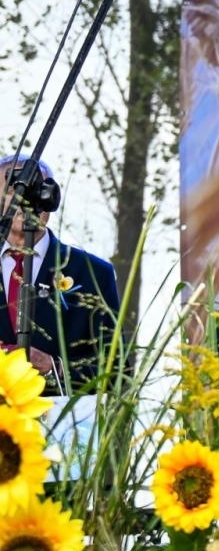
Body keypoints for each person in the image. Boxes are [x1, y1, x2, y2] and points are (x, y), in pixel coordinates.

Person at [0, 154, 122, 395]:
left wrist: (53, 368)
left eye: (37, 191)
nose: (25, 202)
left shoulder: (92, 274)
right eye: (15, 188)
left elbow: (117, 374)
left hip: (62, 426)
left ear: (51, 198)